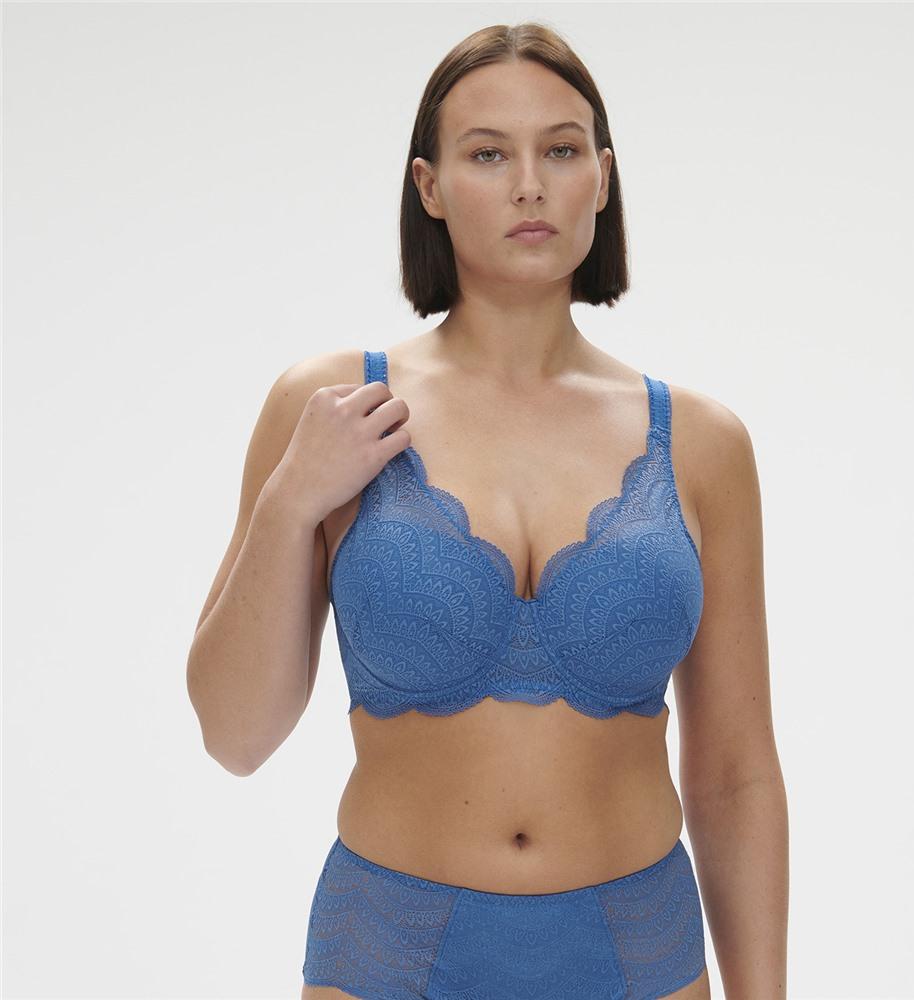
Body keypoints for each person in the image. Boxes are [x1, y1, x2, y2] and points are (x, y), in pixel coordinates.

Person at [186, 21, 789, 1000]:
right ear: (429, 187)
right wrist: (291, 502)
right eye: (487, 154)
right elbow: (234, 735)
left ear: (603, 177)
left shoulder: (702, 444)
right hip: (389, 951)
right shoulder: (332, 409)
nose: (529, 185)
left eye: (561, 150)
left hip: (638, 950)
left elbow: (734, 772)